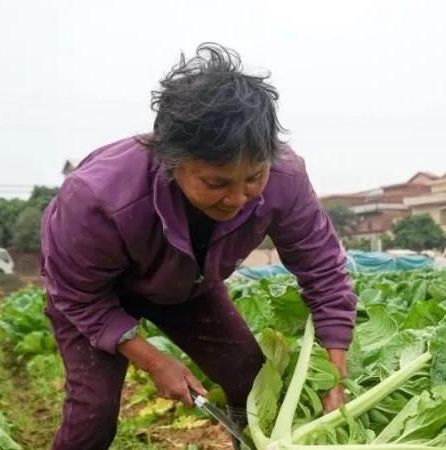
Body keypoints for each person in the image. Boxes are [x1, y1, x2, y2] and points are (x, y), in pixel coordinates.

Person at [40, 43, 357, 450]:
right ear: (173, 161)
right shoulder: (96, 196)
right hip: (97, 297)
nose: (238, 198)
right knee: (93, 413)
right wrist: (155, 362)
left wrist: (336, 381)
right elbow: (77, 296)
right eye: (216, 183)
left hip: (188, 288)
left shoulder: (285, 177)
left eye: (254, 177)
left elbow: (325, 274)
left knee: (252, 381)